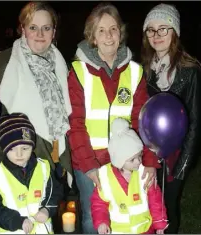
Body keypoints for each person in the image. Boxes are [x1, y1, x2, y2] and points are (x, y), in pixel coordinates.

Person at [67, 2, 160, 233]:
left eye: (113, 29)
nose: (108, 35)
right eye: (101, 30)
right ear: (92, 37)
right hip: (91, 164)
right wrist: (89, 166)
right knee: (94, 218)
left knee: (130, 216)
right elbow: (75, 124)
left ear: (121, 32)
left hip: (129, 161)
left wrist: (149, 161)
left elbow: (143, 121)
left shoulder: (135, 72)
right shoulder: (78, 72)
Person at [0, 1, 73, 191]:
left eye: (46, 28)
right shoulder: (5, 64)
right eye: (33, 27)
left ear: (53, 32)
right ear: (23, 29)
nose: (39, 34)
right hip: (21, 164)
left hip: (55, 159)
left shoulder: (62, 65)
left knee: (50, 214)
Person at [141, 3, 201, 234]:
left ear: (174, 32)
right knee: (150, 205)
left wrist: (182, 166)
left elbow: (195, 122)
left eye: (163, 29)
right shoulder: (144, 69)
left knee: (167, 209)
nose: (157, 36)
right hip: (149, 153)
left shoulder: (190, 70)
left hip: (176, 157)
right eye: (151, 30)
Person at [0, 113, 63, 234]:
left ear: (32, 146)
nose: (19, 155)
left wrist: (47, 209)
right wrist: (17, 221)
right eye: (12, 149)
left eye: (25, 148)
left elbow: (55, 192)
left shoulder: (44, 167)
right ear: (4, 148)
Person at [91, 118, 168, 234]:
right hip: (118, 231)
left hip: (144, 230)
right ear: (119, 161)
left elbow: (155, 200)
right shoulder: (105, 177)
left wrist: (160, 223)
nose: (138, 161)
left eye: (139, 156)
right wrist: (102, 221)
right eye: (132, 159)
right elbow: (99, 204)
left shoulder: (145, 173)